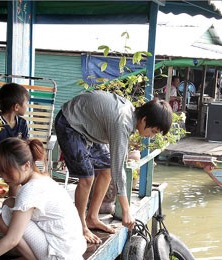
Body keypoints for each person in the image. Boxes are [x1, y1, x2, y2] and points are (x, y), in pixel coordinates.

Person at [55, 90, 173, 244]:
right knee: (87, 177)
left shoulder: (130, 115)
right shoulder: (122, 123)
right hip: (69, 123)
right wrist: (126, 212)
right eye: (153, 131)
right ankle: (80, 226)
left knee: (107, 169)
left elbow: (115, 167)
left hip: (86, 126)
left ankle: (92, 218)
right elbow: (120, 170)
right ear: (144, 120)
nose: (152, 136)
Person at [0, 138, 86, 260]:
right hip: (69, 252)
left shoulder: (30, 190)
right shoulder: (41, 178)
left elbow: (12, 239)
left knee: (5, 217)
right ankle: (31, 258)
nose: (3, 177)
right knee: (9, 203)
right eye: (0, 172)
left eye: (7, 172)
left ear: (27, 165)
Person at [0, 83, 30, 209]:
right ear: (16, 107)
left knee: (16, 172)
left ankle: (13, 207)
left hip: (14, 161)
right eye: (26, 103)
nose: (27, 106)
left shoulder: (22, 124)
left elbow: (25, 146)